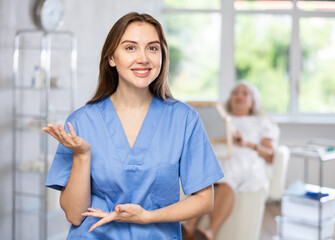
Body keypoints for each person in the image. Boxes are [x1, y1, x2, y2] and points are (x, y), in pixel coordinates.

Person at [43, 12, 224, 240]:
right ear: (111, 58)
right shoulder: (82, 121)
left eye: (152, 48)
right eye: (130, 48)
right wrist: (82, 155)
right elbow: (74, 215)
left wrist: (147, 217)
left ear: (162, 56)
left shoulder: (184, 119)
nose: (143, 58)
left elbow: (204, 200)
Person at [182, 81, 279, 240]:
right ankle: (189, 227)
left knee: (227, 177)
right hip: (220, 155)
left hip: (246, 157)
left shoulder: (262, 122)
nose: (238, 96)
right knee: (205, 178)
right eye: (235, 93)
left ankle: (210, 231)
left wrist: (247, 143)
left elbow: (270, 154)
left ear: (253, 102)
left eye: (244, 93)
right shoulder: (221, 119)